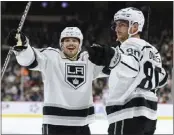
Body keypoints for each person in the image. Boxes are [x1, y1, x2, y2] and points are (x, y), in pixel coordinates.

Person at [7, 27, 107, 135]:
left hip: (81, 125)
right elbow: (30, 59)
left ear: (80, 44)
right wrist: (22, 46)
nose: (71, 43)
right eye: (67, 40)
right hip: (54, 124)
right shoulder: (51, 57)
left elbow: (112, 68)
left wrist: (108, 55)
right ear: (61, 43)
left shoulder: (89, 60)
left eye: (74, 40)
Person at [86, 7, 168, 135]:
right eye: (116, 25)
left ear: (135, 27)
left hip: (127, 113)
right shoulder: (153, 51)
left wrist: (113, 57)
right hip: (149, 116)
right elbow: (161, 79)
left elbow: (131, 67)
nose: (117, 28)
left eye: (122, 25)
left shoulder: (129, 45)